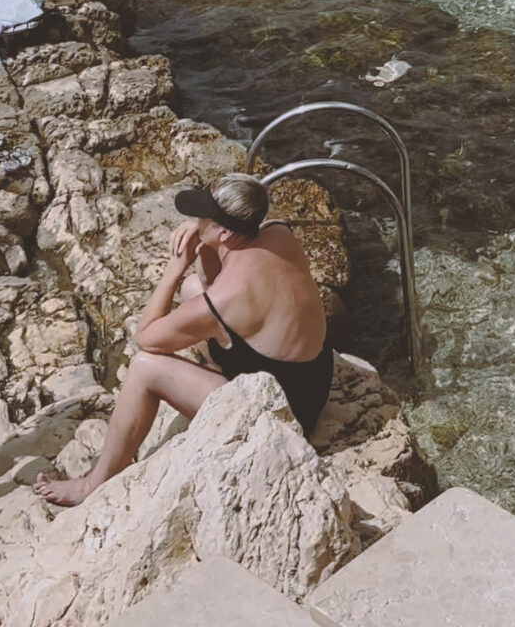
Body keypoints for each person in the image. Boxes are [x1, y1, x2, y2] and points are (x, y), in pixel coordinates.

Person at [37, 175, 333, 506]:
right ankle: (214, 367)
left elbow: (146, 338)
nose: (194, 222)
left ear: (225, 231)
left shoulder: (226, 298)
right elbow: (216, 280)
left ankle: (91, 484)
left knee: (145, 367)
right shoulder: (278, 232)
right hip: (312, 380)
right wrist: (206, 242)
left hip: (283, 414)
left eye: (202, 217)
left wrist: (175, 268)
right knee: (195, 288)